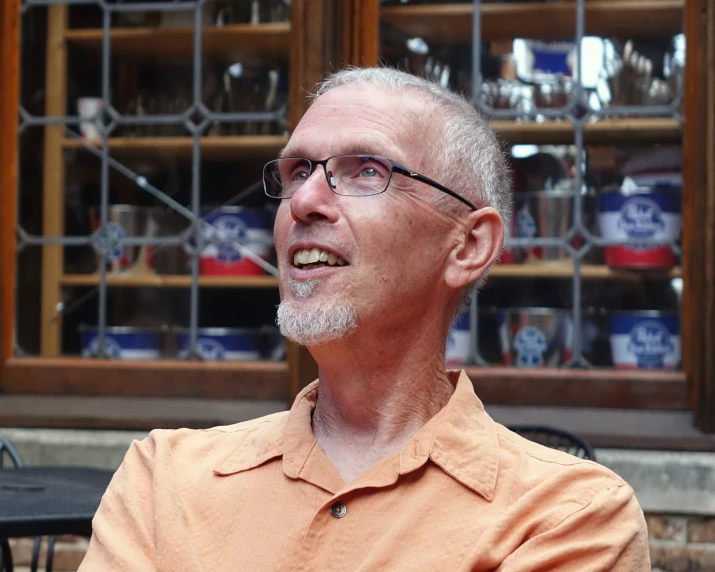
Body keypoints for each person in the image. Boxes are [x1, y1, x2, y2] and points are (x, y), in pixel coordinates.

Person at [78, 67, 650, 571]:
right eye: (298, 170)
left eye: (367, 171)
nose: (303, 201)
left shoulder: (565, 518)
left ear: (469, 246)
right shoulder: (167, 479)